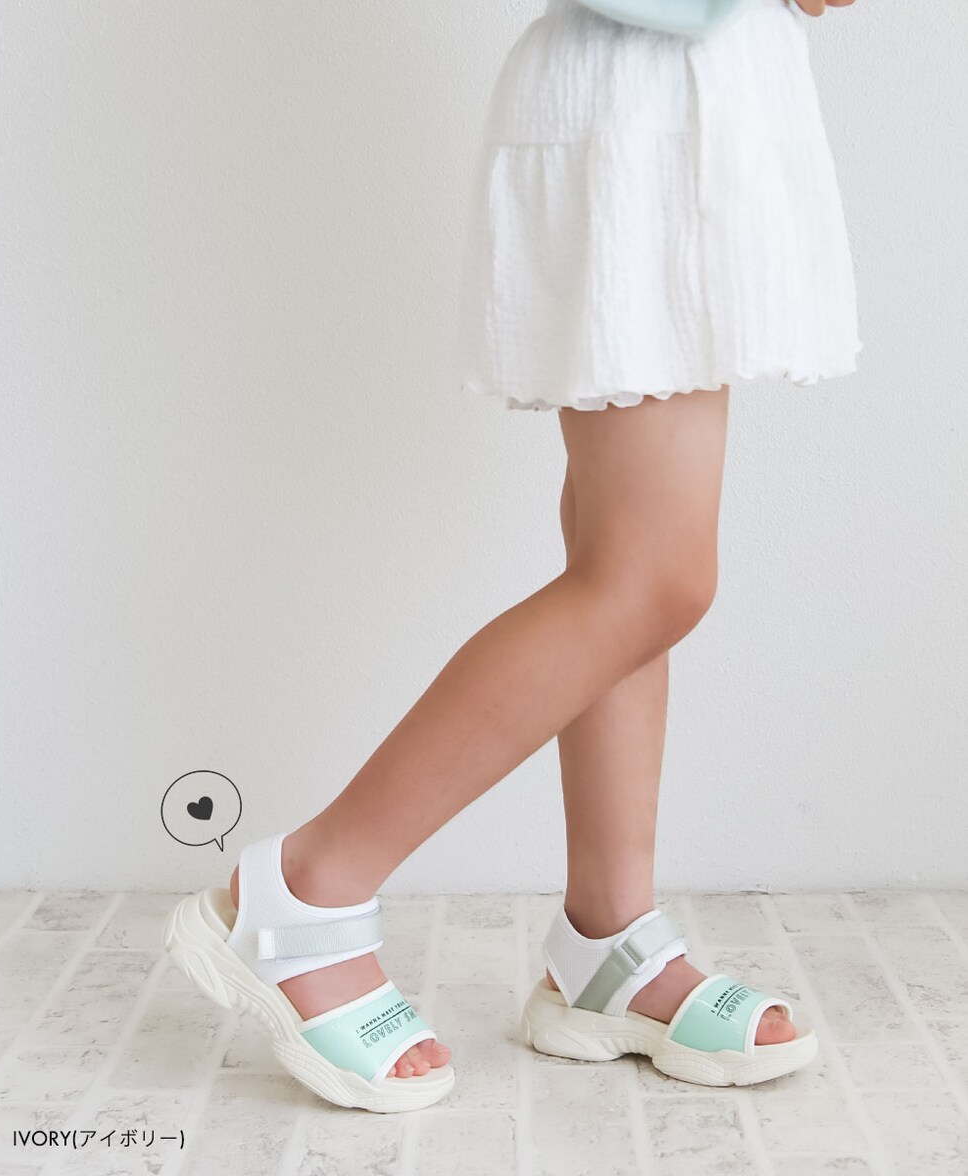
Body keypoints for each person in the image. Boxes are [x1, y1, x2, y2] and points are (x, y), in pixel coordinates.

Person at [164, 0, 860, 1113]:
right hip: (639, 103)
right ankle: (303, 890)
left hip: (716, 99)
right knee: (651, 579)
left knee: (623, 565)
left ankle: (607, 946)